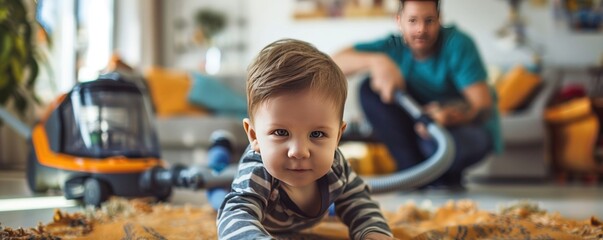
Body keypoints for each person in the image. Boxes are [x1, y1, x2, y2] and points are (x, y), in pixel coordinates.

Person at [216, 39, 395, 239]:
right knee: (217, 194)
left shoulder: (336, 166)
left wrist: (373, 233)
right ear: (254, 136)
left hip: (297, 218)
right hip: (233, 188)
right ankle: (219, 151)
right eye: (281, 133)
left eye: (317, 134)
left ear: (337, 136)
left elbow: (360, 202)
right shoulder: (257, 171)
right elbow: (235, 214)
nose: (299, 151)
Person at [333, 0, 502, 189]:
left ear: (439, 20)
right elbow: (333, 62)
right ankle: (414, 176)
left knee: (432, 145)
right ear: (399, 21)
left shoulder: (458, 44)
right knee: (368, 88)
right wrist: (377, 61)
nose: (421, 29)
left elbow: (483, 107)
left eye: (429, 20)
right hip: (420, 129)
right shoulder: (392, 47)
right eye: (412, 21)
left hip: (463, 129)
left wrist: (448, 116)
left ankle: (439, 178)